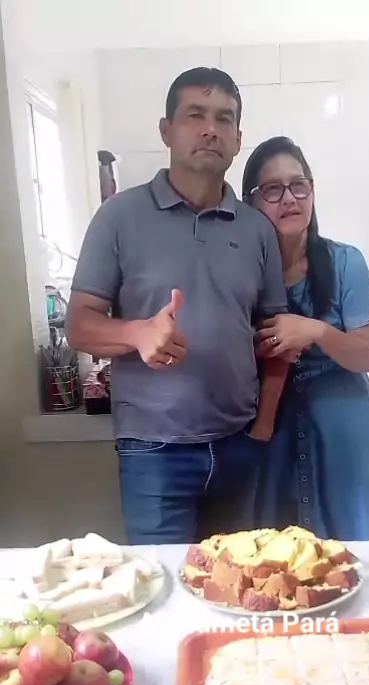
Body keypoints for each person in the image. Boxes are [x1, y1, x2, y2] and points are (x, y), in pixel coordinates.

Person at [66, 69, 290, 545]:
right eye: (195, 115)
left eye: (224, 119)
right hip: (153, 452)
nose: (210, 129)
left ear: (238, 139)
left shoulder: (257, 230)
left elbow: (277, 336)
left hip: (240, 445)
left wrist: (263, 427)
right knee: (162, 584)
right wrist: (137, 333)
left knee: (236, 581)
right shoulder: (118, 217)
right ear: (166, 130)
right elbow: (79, 325)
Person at [242, 136, 369, 540]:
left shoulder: (345, 262)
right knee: (279, 559)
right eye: (272, 189)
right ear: (250, 202)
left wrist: (316, 331)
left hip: (344, 434)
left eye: (299, 185)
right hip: (272, 436)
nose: (289, 199)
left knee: (356, 553)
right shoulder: (242, 273)